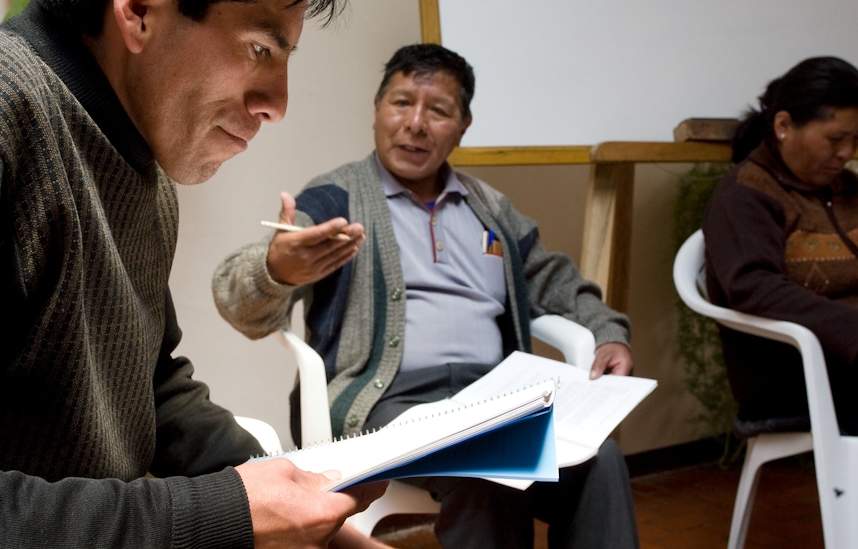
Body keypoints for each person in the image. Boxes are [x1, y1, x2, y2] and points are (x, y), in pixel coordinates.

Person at [0, 0, 396, 547]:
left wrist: (296, 497)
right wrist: (226, 514)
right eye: (260, 48)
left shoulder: (142, 175)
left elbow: (153, 386)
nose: (278, 104)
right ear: (141, 7)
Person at [213, 43, 640, 548]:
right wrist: (277, 269)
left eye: (437, 110)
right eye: (401, 103)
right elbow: (237, 301)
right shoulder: (335, 200)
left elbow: (558, 282)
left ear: (462, 126)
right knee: (487, 461)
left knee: (601, 458)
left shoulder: (491, 209)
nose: (415, 123)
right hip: (387, 403)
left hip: (495, 398)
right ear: (377, 110)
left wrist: (608, 331)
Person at [703, 55, 858, 436]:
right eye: (836, 139)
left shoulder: (848, 190)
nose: (847, 153)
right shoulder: (745, 196)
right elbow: (753, 286)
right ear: (784, 125)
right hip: (791, 373)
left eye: (856, 140)